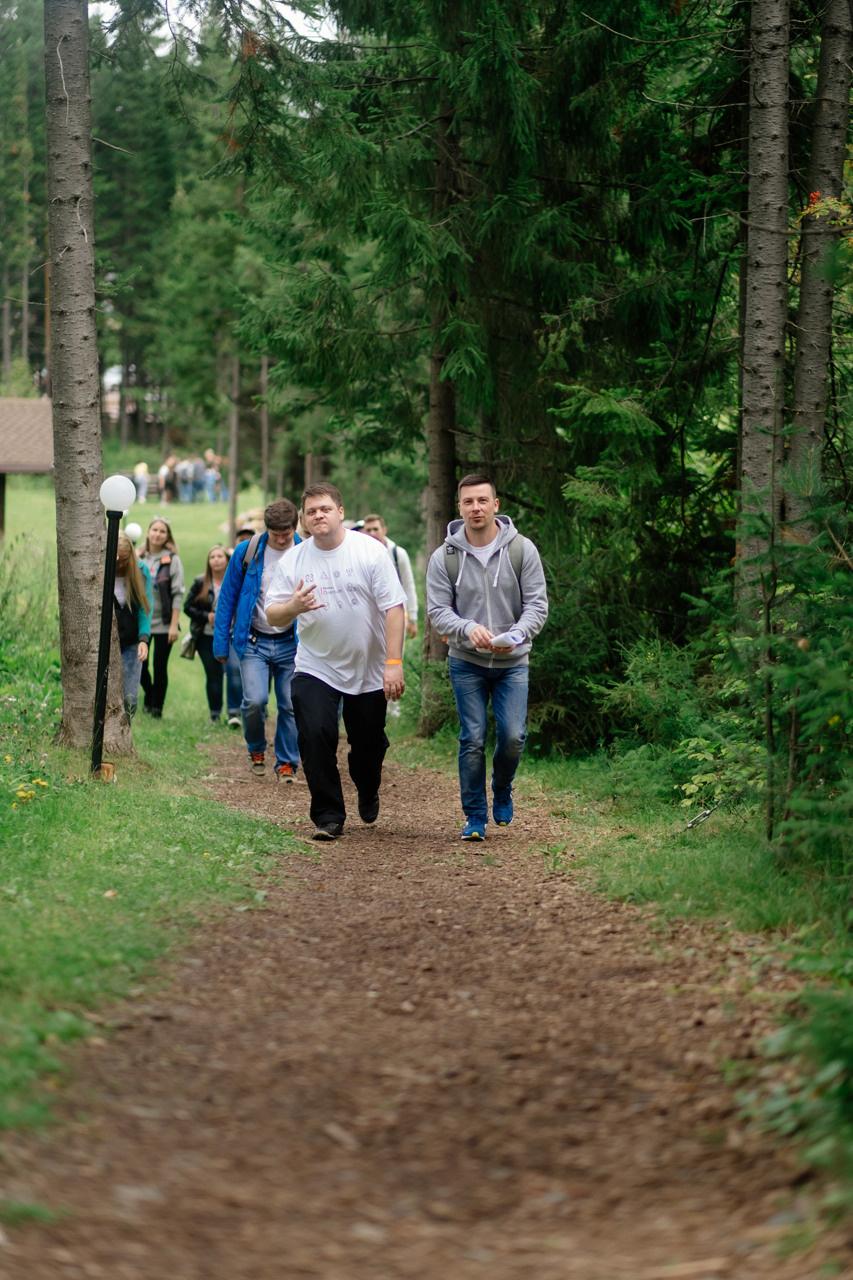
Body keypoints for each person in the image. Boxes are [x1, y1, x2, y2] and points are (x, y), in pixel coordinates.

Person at [265, 482, 406, 841]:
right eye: (311, 511)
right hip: (316, 665)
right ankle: (328, 815)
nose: (318, 516)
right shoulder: (293, 559)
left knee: (368, 746)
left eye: (325, 509)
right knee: (314, 734)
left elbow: (394, 608)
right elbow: (272, 614)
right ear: (303, 519)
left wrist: (393, 662)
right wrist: (293, 606)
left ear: (340, 513)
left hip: (369, 667)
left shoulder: (370, 551)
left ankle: (368, 786)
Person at [426, 473, 548, 842]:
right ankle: (475, 816)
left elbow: (537, 606)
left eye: (482, 500)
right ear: (459, 507)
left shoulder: (521, 549)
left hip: (513, 663)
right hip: (467, 662)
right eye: (468, 501)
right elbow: (437, 611)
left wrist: (517, 634)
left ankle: (502, 787)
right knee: (473, 738)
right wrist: (466, 628)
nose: (476, 507)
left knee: (513, 736)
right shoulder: (445, 556)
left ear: (495, 505)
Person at [213, 499, 301, 780]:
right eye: (276, 535)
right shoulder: (247, 551)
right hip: (253, 641)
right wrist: (220, 644)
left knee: (290, 704)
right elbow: (227, 598)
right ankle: (256, 749)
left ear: (295, 528)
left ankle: (287, 762)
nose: (282, 540)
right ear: (266, 529)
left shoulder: (305, 551)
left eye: (286, 534)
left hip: (293, 643)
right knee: (254, 700)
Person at [361, 512, 418, 719]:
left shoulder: (397, 553)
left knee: (394, 658)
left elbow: (408, 584)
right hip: (370, 617)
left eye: (376, 529)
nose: (372, 533)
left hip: (396, 614)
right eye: (368, 529)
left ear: (384, 530)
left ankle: (394, 707)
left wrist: (413, 618)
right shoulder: (362, 552)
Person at [185, 545, 243, 724]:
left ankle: (234, 713)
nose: (216, 560)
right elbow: (188, 607)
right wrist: (206, 616)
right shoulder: (200, 581)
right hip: (206, 636)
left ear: (227, 560)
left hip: (232, 635)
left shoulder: (236, 580)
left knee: (234, 670)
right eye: (212, 557)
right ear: (208, 562)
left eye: (219, 556)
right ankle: (215, 714)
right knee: (214, 675)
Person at [138, 516, 185, 718]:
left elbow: (178, 594)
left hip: (165, 622)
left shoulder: (172, 560)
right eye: (155, 530)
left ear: (167, 537)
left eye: (162, 531)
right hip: (142, 621)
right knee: (140, 665)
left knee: (159, 666)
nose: (158, 534)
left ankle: (157, 708)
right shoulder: (138, 556)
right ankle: (149, 694)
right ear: (148, 533)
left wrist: (174, 625)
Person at [114, 531, 152, 721]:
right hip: (106, 643)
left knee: (130, 700)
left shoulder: (141, 570)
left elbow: (144, 608)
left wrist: (144, 639)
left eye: (125, 559)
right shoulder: (101, 568)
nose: (120, 564)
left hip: (131, 643)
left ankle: (124, 732)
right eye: (117, 559)